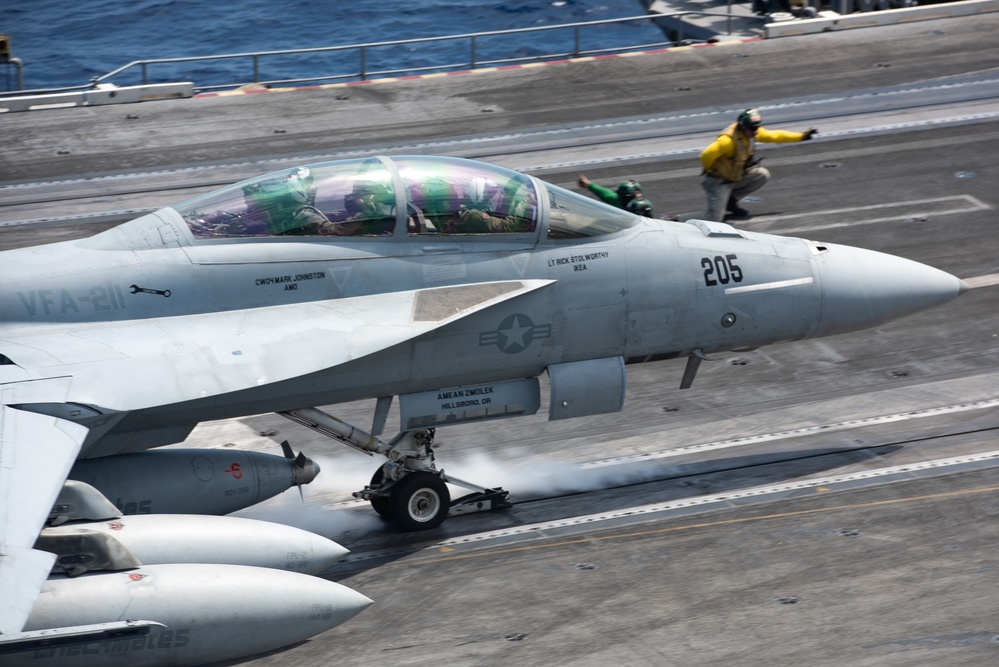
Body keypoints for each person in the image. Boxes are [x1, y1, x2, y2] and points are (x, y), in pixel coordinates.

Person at [700, 108, 817, 221]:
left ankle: (730, 201)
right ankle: (681, 219)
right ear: (742, 126)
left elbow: (776, 136)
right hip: (719, 182)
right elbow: (706, 155)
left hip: (734, 178)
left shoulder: (751, 133)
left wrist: (802, 136)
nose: (756, 131)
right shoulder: (727, 141)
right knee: (713, 218)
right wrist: (710, 170)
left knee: (762, 175)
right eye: (752, 129)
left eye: (757, 128)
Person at [577, 175, 657, 218]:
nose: (620, 197)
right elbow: (606, 194)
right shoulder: (618, 200)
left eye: (623, 196)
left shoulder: (645, 207)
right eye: (620, 195)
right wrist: (589, 184)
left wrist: (589, 185)